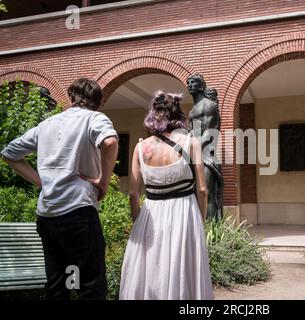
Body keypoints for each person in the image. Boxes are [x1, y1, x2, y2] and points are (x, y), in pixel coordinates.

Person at [0, 78, 119, 299]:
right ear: (97, 102)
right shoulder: (95, 118)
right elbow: (110, 142)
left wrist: (41, 182)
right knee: (90, 285)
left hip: (47, 216)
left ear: (71, 97)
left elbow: (9, 154)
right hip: (78, 212)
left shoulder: (46, 124)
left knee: (58, 285)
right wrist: (103, 181)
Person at [119, 91, 214, 300]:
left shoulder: (140, 147)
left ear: (153, 115)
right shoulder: (191, 143)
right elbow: (202, 190)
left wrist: (138, 223)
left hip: (150, 215)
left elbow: (133, 193)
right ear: (177, 114)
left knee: (150, 270)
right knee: (182, 269)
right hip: (184, 214)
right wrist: (201, 220)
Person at [187, 74, 224, 219]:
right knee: (194, 194)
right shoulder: (193, 109)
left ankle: (211, 231)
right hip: (193, 156)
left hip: (206, 155)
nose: (190, 85)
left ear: (201, 85)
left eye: (193, 82)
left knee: (206, 193)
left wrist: (192, 149)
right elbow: (191, 132)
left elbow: (210, 133)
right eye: (188, 83)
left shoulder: (208, 105)